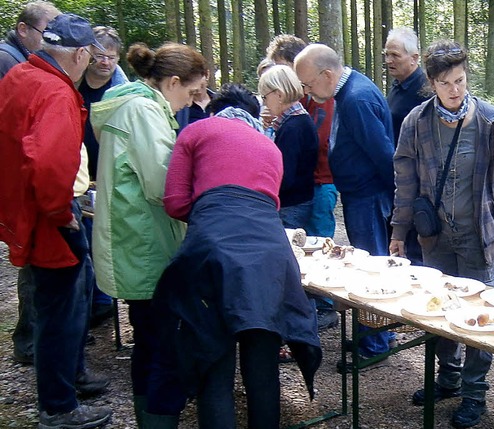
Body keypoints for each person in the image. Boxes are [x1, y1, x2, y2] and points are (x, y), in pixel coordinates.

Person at [146, 113, 322, 429]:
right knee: (263, 368)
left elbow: (174, 202)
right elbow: (270, 205)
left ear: (218, 111)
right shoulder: (270, 146)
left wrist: (211, 212)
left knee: (214, 364)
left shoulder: (196, 130)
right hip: (270, 253)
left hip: (212, 250)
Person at [389, 40, 494, 428]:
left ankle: (474, 393)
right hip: (435, 239)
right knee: (440, 313)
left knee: (480, 317)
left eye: (461, 80)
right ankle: (448, 379)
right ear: (431, 83)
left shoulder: (491, 121)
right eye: (446, 82)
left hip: (480, 237)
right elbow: (405, 182)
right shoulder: (416, 123)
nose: (455, 89)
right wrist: (399, 231)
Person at [0, 13, 113, 429]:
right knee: (60, 309)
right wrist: (61, 212)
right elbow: (47, 162)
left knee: (72, 298)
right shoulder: (55, 92)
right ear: (81, 53)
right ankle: (59, 406)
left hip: (29, 211)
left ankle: (72, 375)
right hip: (49, 219)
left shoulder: (21, 75)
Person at [90, 41, 207, 427]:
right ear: (172, 82)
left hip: (138, 239)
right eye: (190, 94)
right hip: (145, 245)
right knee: (164, 349)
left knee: (149, 342)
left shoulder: (134, 104)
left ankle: (149, 415)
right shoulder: (143, 111)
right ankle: (159, 418)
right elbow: (162, 185)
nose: (190, 104)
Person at [294, 43, 396, 360]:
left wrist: (393, 198)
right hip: (360, 195)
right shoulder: (350, 91)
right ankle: (376, 335)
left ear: (327, 74)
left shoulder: (356, 99)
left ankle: (376, 342)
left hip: (368, 197)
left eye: (309, 84)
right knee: (368, 264)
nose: (308, 93)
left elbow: (383, 155)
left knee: (372, 268)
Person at [0, 0, 60, 366]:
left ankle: (33, 338)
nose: (52, 39)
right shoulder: (11, 63)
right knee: (36, 260)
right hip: (24, 175)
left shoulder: (18, 61)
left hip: (22, 174)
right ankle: (30, 339)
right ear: (24, 30)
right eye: (47, 31)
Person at [266, 34, 339, 331]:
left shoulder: (325, 99)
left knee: (322, 245)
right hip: (310, 184)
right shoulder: (304, 104)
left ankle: (325, 306)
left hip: (323, 183)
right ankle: (312, 304)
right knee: (308, 246)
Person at [77, 25, 129, 328]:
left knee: (106, 235)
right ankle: (89, 301)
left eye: (110, 57)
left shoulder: (122, 89)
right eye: (98, 56)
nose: (104, 63)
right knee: (83, 236)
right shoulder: (73, 82)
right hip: (80, 171)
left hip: (109, 170)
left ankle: (102, 301)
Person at [384, 27, 430, 266]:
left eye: (395, 55)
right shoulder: (396, 86)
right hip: (397, 178)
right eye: (386, 54)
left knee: (414, 251)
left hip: (419, 181)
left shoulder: (425, 90)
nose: (389, 60)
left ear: (414, 58)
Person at [258, 65, 318, 229]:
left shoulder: (293, 127)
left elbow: (284, 177)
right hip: (297, 201)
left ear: (279, 94)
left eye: (265, 97)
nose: (264, 103)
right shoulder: (295, 120)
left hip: (291, 205)